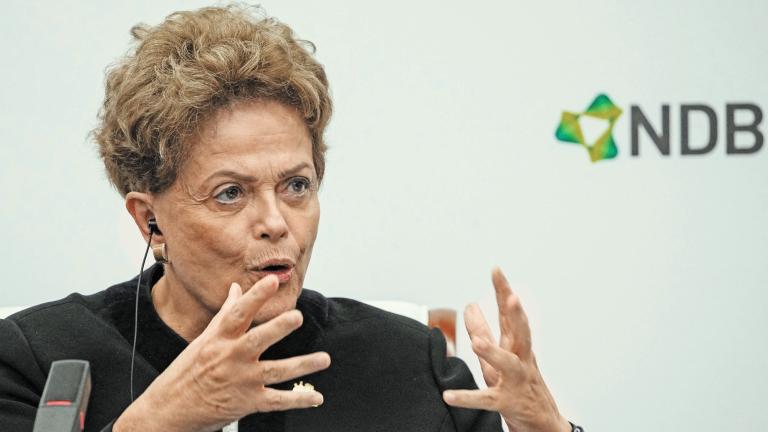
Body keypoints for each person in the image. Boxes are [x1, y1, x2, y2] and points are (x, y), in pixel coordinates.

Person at [0, 5, 579, 431]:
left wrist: (547, 428)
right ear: (150, 219)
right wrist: (158, 422)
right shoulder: (41, 360)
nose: (277, 223)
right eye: (230, 194)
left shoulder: (406, 362)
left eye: (296, 186)